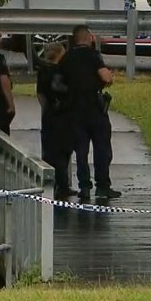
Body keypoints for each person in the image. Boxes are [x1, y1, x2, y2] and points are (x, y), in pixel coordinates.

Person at [59, 25, 120, 200]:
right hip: (94, 109)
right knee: (102, 149)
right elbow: (105, 77)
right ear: (88, 38)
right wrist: (108, 77)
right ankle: (103, 186)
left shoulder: (67, 57)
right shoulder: (93, 56)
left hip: (74, 110)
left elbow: (60, 81)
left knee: (81, 151)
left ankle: (84, 187)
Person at [36, 42, 76, 200]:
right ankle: (63, 185)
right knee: (64, 151)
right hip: (65, 115)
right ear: (60, 53)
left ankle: (54, 183)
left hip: (50, 114)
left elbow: (40, 94)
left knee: (51, 151)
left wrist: (45, 109)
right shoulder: (65, 71)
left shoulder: (43, 71)